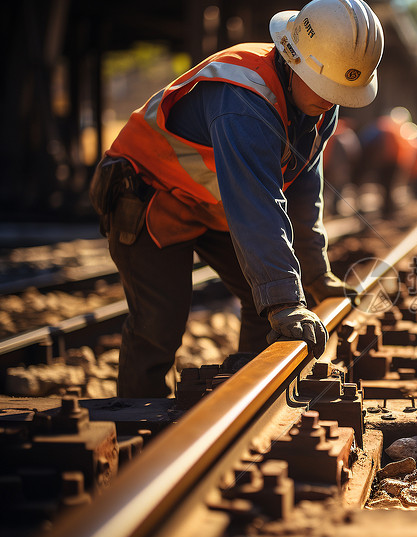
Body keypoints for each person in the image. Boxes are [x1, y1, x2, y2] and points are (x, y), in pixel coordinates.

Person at [88, 0, 383, 398]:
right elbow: (257, 203)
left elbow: (302, 187)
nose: (332, 100)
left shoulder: (318, 104)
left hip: (212, 202)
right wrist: (284, 300)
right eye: (326, 87)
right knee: (159, 324)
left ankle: (247, 400)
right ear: (292, 60)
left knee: (267, 302)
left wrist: (314, 275)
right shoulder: (244, 100)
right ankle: (132, 421)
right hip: (149, 194)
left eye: (342, 92)